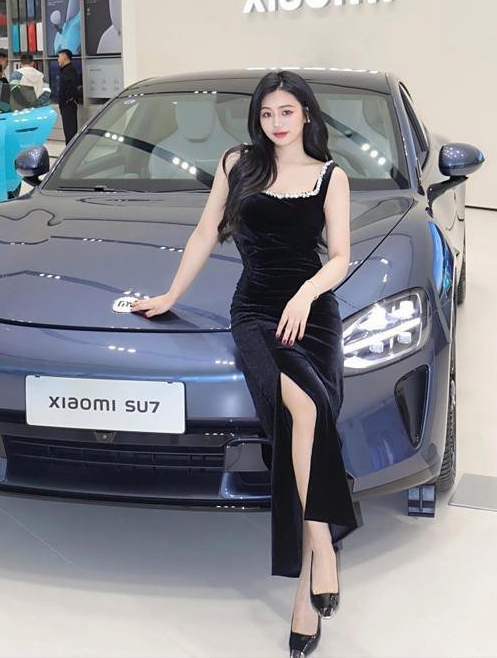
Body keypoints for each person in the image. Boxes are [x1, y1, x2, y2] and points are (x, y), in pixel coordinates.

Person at [129, 70, 362, 657]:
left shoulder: (331, 177)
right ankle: (324, 548)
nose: (277, 123)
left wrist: (306, 295)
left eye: (287, 112)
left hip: (311, 312)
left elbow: (339, 257)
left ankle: (306, 592)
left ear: (306, 115)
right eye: (267, 114)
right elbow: (204, 232)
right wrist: (171, 295)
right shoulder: (239, 165)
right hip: (256, 312)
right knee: (305, 409)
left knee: (307, 417)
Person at [57, 48, 80, 144]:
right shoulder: (66, 70)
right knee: (69, 130)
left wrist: (66, 100)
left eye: (59, 57)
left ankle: (70, 149)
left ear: (64, 57)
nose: (58, 60)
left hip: (68, 105)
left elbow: (70, 87)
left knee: (70, 130)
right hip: (67, 105)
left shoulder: (69, 70)